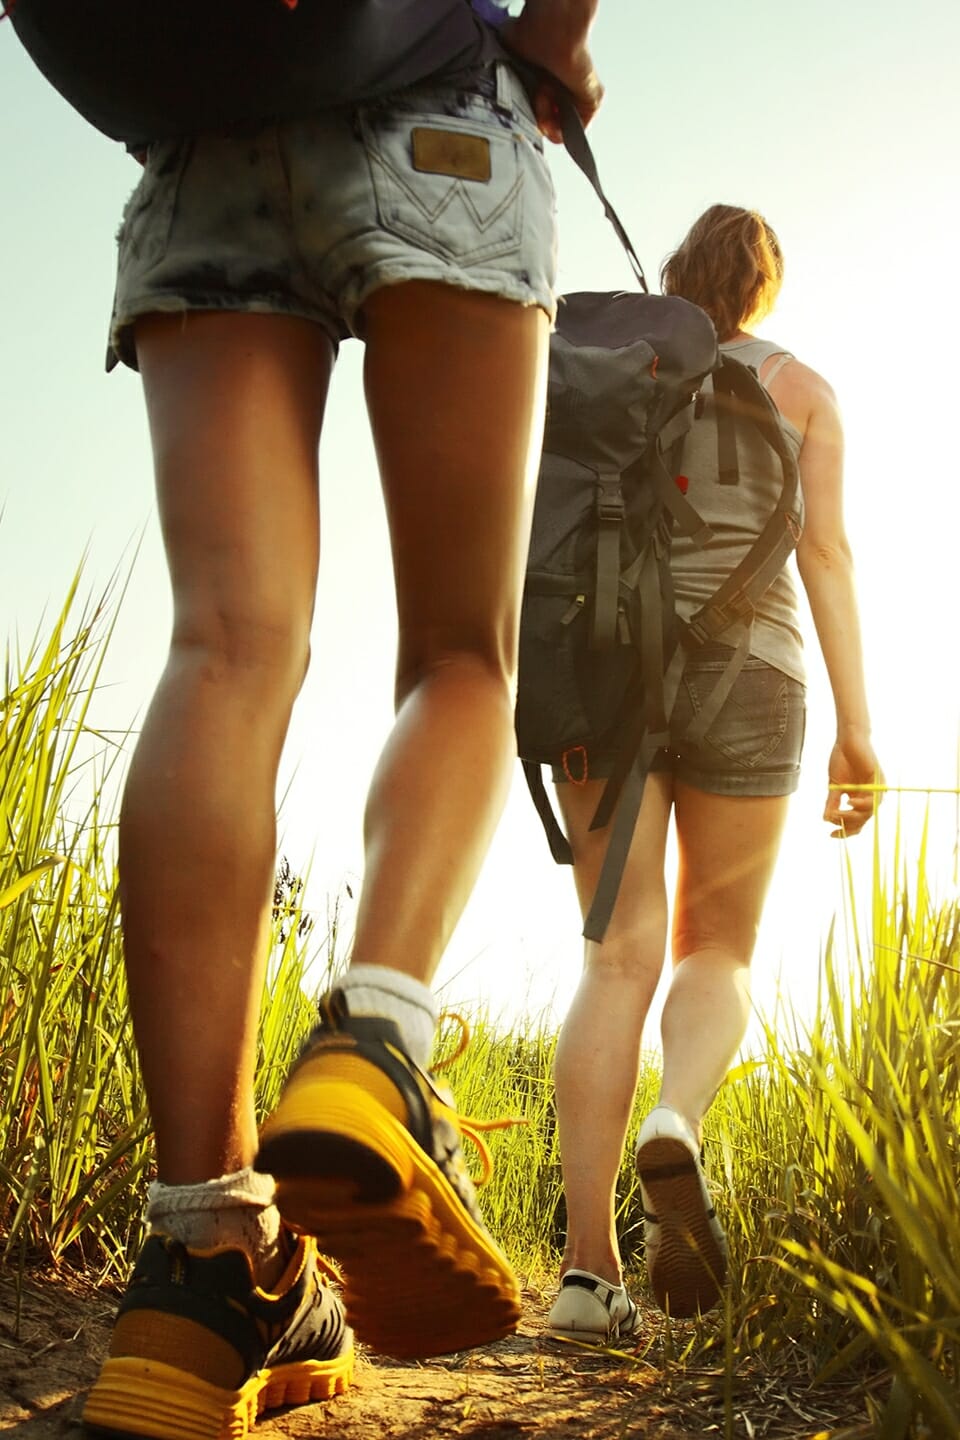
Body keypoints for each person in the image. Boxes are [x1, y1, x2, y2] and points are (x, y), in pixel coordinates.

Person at [60, 3, 606, 1436]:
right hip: (436, 106)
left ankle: (202, 1260)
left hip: (202, 132)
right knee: (460, 654)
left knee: (223, 651)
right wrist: (558, 40)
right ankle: (373, 1050)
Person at [544, 203, 882, 1341]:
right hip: (758, 672)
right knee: (716, 947)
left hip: (606, 670)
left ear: (680, 276)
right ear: (764, 290)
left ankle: (588, 1279)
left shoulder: (613, 369)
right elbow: (825, 555)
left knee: (614, 958)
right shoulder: (805, 391)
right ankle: (677, 1116)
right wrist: (858, 730)